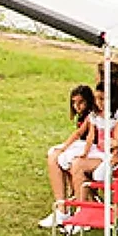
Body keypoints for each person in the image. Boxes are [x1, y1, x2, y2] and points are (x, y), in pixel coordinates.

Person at [38, 85, 95, 228]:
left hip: (92, 151)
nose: (77, 107)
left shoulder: (93, 116)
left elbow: (84, 137)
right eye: (74, 103)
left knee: (71, 162)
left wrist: (67, 147)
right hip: (82, 147)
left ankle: (80, 209)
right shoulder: (84, 117)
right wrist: (64, 147)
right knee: (54, 155)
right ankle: (62, 208)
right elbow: (77, 134)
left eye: (81, 102)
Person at [69, 83, 118, 202]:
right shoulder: (95, 114)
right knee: (75, 163)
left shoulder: (117, 114)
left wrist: (115, 153)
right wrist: (85, 152)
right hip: (98, 150)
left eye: (102, 99)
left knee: (93, 173)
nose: (99, 102)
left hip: (110, 153)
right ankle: (82, 205)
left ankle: (88, 203)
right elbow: (91, 136)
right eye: (96, 99)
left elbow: (117, 137)